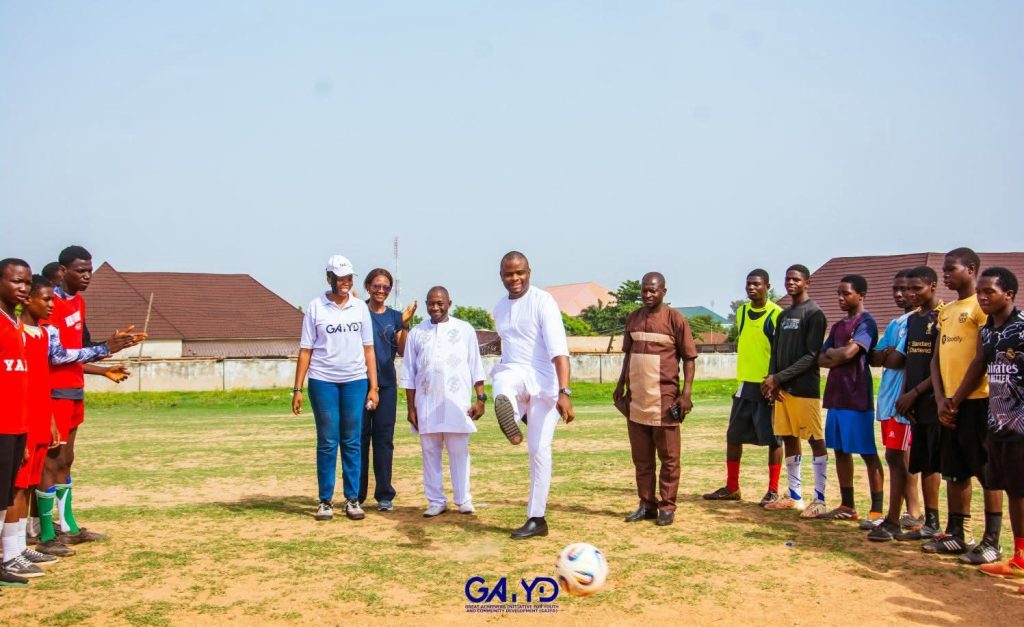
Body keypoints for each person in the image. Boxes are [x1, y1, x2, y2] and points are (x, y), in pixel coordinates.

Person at [2, 275, 126, 578]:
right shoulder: (16, 330)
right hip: (16, 418)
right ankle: (21, 545)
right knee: (15, 485)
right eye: (44, 299)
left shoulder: (41, 333)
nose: (50, 305)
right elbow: (58, 361)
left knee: (28, 482)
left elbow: (42, 374)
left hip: (37, 414)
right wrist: (105, 348)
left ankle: (19, 546)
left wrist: (49, 419)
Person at [37, 245, 143, 554]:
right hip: (53, 391)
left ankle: (69, 526)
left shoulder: (79, 303)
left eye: (89, 270)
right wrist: (104, 348)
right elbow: (55, 355)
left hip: (74, 389)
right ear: (64, 270)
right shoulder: (50, 303)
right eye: (80, 270)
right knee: (50, 461)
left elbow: (78, 352)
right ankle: (46, 534)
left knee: (67, 460)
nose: (87, 276)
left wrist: (108, 352)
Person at [924, 248, 1003, 564]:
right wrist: (942, 398)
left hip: (975, 402)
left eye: (950, 269)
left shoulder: (980, 308)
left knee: (987, 472)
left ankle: (991, 540)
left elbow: (981, 360)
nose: (945, 274)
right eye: (943, 269)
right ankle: (958, 533)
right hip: (948, 404)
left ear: (970, 269)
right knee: (955, 471)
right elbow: (936, 359)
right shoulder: (947, 310)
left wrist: (955, 400)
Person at [490, 251, 574, 539]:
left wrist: (565, 392)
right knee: (502, 382)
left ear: (529, 272)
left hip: (544, 383)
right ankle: (511, 419)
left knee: (539, 451)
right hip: (515, 372)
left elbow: (559, 350)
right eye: (508, 274)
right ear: (501, 275)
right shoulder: (500, 308)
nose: (514, 279)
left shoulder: (543, 301)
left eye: (519, 273)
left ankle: (537, 519)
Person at [292, 255, 379, 522]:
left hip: (355, 379)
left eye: (349, 278)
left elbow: (369, 349)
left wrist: (374, 387)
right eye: (340, 278)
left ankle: (352, 499)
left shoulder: (359, 308)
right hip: (323, 381)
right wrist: (297, 389)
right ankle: (325, 501)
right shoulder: (315, 307)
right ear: (329, 278)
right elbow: (305, 350)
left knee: (352, 440)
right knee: (328, 441)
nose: (345, 283)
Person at [953, 268, 1024, 582]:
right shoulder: (989, 331)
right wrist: (954, 401)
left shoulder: (1022, 329)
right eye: (979, 292)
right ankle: (1020, 558)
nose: (982, 297)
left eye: (989, 292)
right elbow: (978, 366)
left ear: (1008, 293)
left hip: (1022, 427)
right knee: (1012, 491)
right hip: (997, 424)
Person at [614, 272, 697, 526]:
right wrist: (620, 386)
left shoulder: (675, 319)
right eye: (644, 290)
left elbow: (689, 359)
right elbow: (628, 355)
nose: (648, 295)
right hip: (637, 400)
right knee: (642, 459)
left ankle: (667, 506)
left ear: (664, 291)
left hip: (664, 401)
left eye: (653, 290)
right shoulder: (634, 318)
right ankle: (646, 504)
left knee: (669, 459)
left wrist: (686, 394)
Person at [401, 286, 486, 517]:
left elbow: (475, 366)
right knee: (430, 452)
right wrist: (411, 408)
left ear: (450, 303)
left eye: (440, 303)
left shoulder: (465, 329)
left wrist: (481, 398)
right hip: (425, 405)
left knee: (459, 451)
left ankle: (463, 499)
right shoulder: (417, 332)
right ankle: (436, 501)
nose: (435, 307)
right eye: (431, 303)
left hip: (457, 405)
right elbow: (409, 373)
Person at [703, 269, 783, 506]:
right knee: (733, 436)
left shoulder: (776, 314)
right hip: (745, 384)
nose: (751, 288)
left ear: (767, 286)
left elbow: (779, 351)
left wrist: (775, 379)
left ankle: (773, 490)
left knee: (774, 440)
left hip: (767, 384)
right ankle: (732, 486)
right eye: (748, 284)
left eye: (756, 284)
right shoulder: (742, 313)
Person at [762, 264, 829, 517]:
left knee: (815, 440)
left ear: (807, 283)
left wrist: (779, 377)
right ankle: (794, 495)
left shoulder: (814, 314)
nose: (791, 283)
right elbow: (776, 352)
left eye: (796, 279)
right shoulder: (784, 315)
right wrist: (771, 379)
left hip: (804, 390)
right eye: (788, 279)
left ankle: (820, 499)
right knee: (789, 438)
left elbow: (812, 356)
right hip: (781, 390)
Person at [816, 275, 883, 521]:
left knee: (866, 452)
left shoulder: (866, 322)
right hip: (836, 396)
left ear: (861, 295)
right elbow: (821, 358)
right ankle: (847, 505)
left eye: (846, 294)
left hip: (856, 396)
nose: (841, 298)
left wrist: (837, 354)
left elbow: (849, 353)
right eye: (839, 294)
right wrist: (837, 354)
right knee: (840, 451)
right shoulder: (837, 326)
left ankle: (876, 509)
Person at [865, 270, 922, 540]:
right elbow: (875, 358)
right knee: (896, 457)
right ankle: (910, 514)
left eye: (908, 289)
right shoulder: (895, 323)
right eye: (897, 289)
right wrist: (887, 354)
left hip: (902, 401)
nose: (901, 294)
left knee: (899, 458)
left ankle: (898, 517)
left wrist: (888, 354)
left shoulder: (918, 323)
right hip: (888, 401)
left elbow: (896, 360)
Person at [891, 265, 944, 543]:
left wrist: (916, 393)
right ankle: (930, 522)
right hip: (914, 404)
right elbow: (913, 361)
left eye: (916, 289)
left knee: (939, 465)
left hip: (935, 401)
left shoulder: (943, 317)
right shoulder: (912, 320)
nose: (909, 294)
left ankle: (959, 528)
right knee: (922, 463)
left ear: (933, 286)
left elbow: (941, 366)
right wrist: (906, 396)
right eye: (906, 289)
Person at [359, 268, 416, 512]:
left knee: (384, 440)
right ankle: (356, 495)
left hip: (387, 384)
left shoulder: (395, 317)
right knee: (359, 440)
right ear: (368, 286)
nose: (381, 290)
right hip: (358, 383)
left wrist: (404, 325)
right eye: (376, 286)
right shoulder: (358, 311)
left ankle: (384, 495)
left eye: (385, 287)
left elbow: (403, 351)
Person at [0, 259, 31, 589]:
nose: (23, 288)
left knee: (4, 496)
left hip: (15, 424)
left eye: (26, 283)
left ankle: (5, 557)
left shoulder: (16, 323)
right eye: (15, 282)